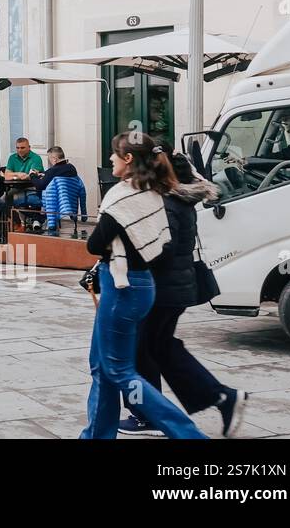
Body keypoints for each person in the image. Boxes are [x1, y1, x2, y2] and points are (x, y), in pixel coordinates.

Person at [80, 133, 207, 439]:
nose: (109, 159)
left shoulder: (123, 196)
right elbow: (160, 246)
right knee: (102, 366)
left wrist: (112, 249)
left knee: (119, 370)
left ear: (128, 160)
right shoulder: (153, 191)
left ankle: (189, 435)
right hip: (140, 284)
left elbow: (94, 244)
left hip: (122, 289)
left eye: (114, 154)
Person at [118, 154, 248, 437]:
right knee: (159, 348)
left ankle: (146, 414)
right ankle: (221, 398)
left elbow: (162, 247)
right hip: (173, 289)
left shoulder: (165, 203)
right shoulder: (179, 200)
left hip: (161, 290)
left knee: (140, 353)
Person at [36, 147, 88, 235]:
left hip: (54, 201)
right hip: (71, 199)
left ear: (55, 159)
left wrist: (32, 176)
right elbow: (54, 172)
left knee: (26, 199)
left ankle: (39, 221)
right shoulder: (71, 168)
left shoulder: (53, 170)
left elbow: (40, 185)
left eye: (50, 159)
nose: (50, 162)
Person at [5, 137, 45, 217]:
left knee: (15, 199)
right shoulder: (12, 157)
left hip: (32, 187)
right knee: (4, 200)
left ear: (29, 147)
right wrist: (19, 174)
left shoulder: (36, 158)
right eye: (17, 148)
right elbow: (6, 175)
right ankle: (16, 223)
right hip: (16, 187)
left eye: (22, 147)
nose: (20, 150)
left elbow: (31, 176)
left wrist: (13, 174)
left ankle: (35, 219)